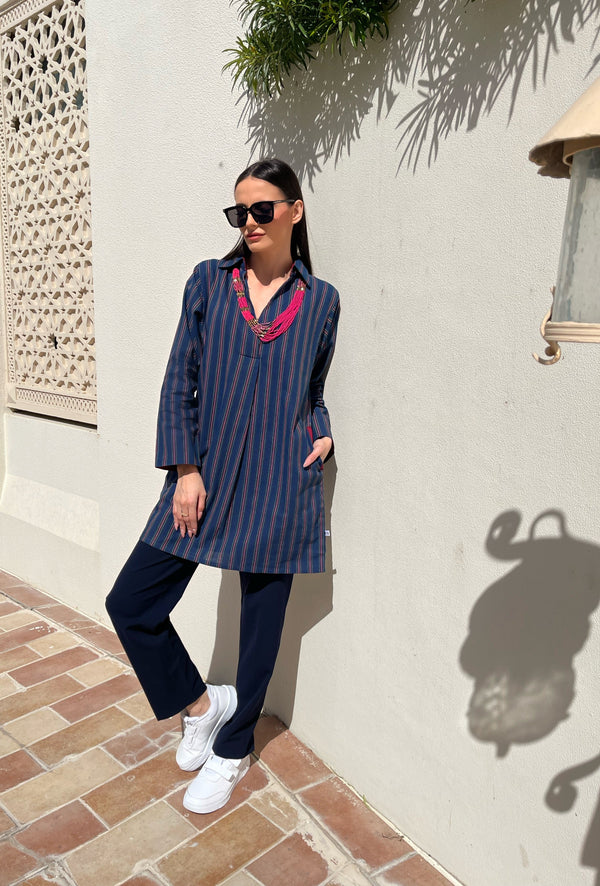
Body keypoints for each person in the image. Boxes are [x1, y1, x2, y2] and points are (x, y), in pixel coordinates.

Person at [105, 158, 340, 814]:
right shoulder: (209, 283)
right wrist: (184, 468)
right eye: (240, 213)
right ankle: (204, 706)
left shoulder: (322, 302)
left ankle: (234, 749)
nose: (250, 223)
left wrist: (322, 429)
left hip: (279, 479)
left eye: (262, 209)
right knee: (133, 602)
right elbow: (180, 378)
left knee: (263, 626)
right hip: (203, 477)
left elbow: (313, 389)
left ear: (295, 210)